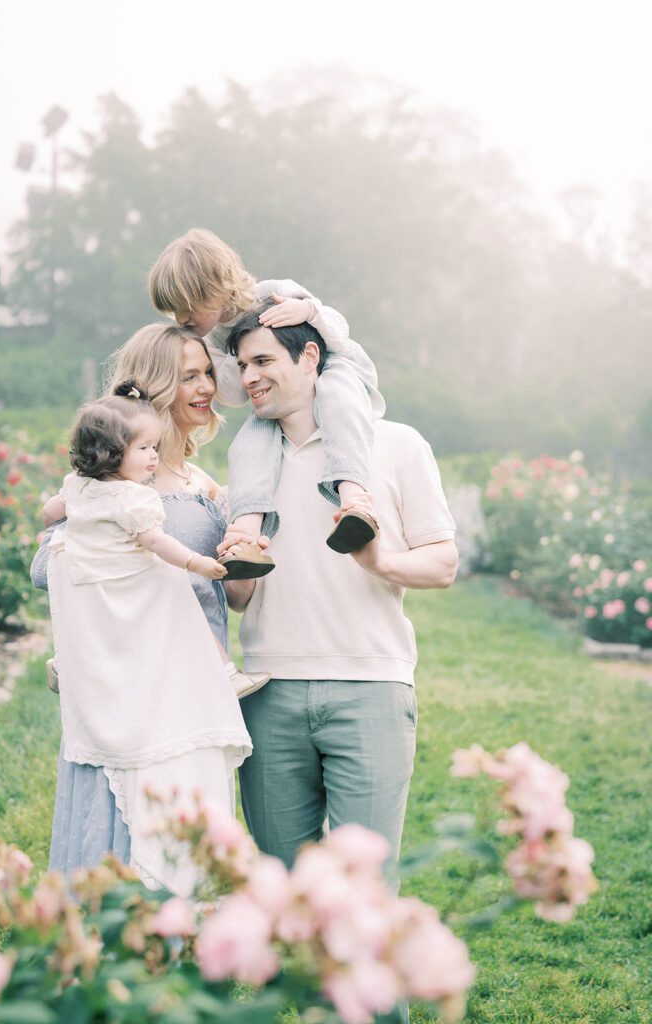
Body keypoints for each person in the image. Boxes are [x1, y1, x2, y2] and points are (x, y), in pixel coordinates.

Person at [221, 302, 459, 877]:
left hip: (371, 687)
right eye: (241, 365)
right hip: (267, 690)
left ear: (309, 357)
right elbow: (237, 601)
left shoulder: (396, 445)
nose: (248, 377)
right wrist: (234, 568)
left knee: (365, 891)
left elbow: (444, 563)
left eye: (261, 360)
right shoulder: (248, 461)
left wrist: (378, 560)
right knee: (281, 886)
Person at [31, 323, 258, 889]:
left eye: (207, 371)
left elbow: (228, 596)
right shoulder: (117, 490)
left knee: (187, 853)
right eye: (188, 376)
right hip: (132, 700)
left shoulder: (198, 480)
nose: (206, 386)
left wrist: (247, 552)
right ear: (156, 390)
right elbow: (47, 568)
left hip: (192, 694)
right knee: (128, 854)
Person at [148, 228, 387, 569]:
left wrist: (307, 312)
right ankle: (245, 536)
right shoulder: (213, 341)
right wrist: (215, 358)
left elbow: (338, 329)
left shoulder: (274, 293)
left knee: (336, 400)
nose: (180, 320)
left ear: (213, 288)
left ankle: (355, 500)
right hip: (280, 401)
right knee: (250, 443)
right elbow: (235, 395)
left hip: (335, 367)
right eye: (172, 312)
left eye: (185, 308)